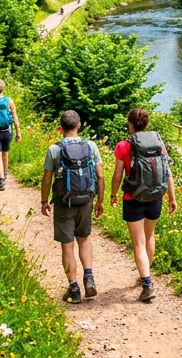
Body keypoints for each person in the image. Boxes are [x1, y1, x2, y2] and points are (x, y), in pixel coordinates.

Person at [110, 108, 176, 303]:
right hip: (155, 196)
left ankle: (147, 284)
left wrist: (113, 194)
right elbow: (167, 172)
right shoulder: (158, 143)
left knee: (138, 243)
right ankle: (145, 276)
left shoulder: (123, 146)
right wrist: (172, 198)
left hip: (133, 199)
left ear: (130, 124)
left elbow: (117, 175)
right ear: (146, 124)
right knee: (149, 236)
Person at [41, 110, 105, 304]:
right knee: (84, 240)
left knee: (67, 246)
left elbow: (47, 179)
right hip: (86, 201)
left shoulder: (54, 149)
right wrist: (100, 201)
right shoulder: (91, 146)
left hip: (64, 203)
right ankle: (89, 277)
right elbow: (100, 176)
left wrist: (44, 201)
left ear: (60, 128)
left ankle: (74, 288)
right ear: (79, 126)